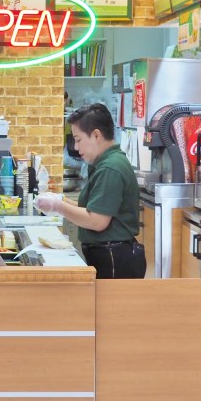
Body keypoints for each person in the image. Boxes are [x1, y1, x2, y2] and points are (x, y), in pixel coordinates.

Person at [35, 103, 146, 279]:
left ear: (96, 135)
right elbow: (89, 207)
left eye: (78, 140)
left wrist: (58, 207)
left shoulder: (111, 168)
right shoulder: (104, 163)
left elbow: (96, 220)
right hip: (105, 254)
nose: (76, 148)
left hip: (114, 258)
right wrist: (60, 200)